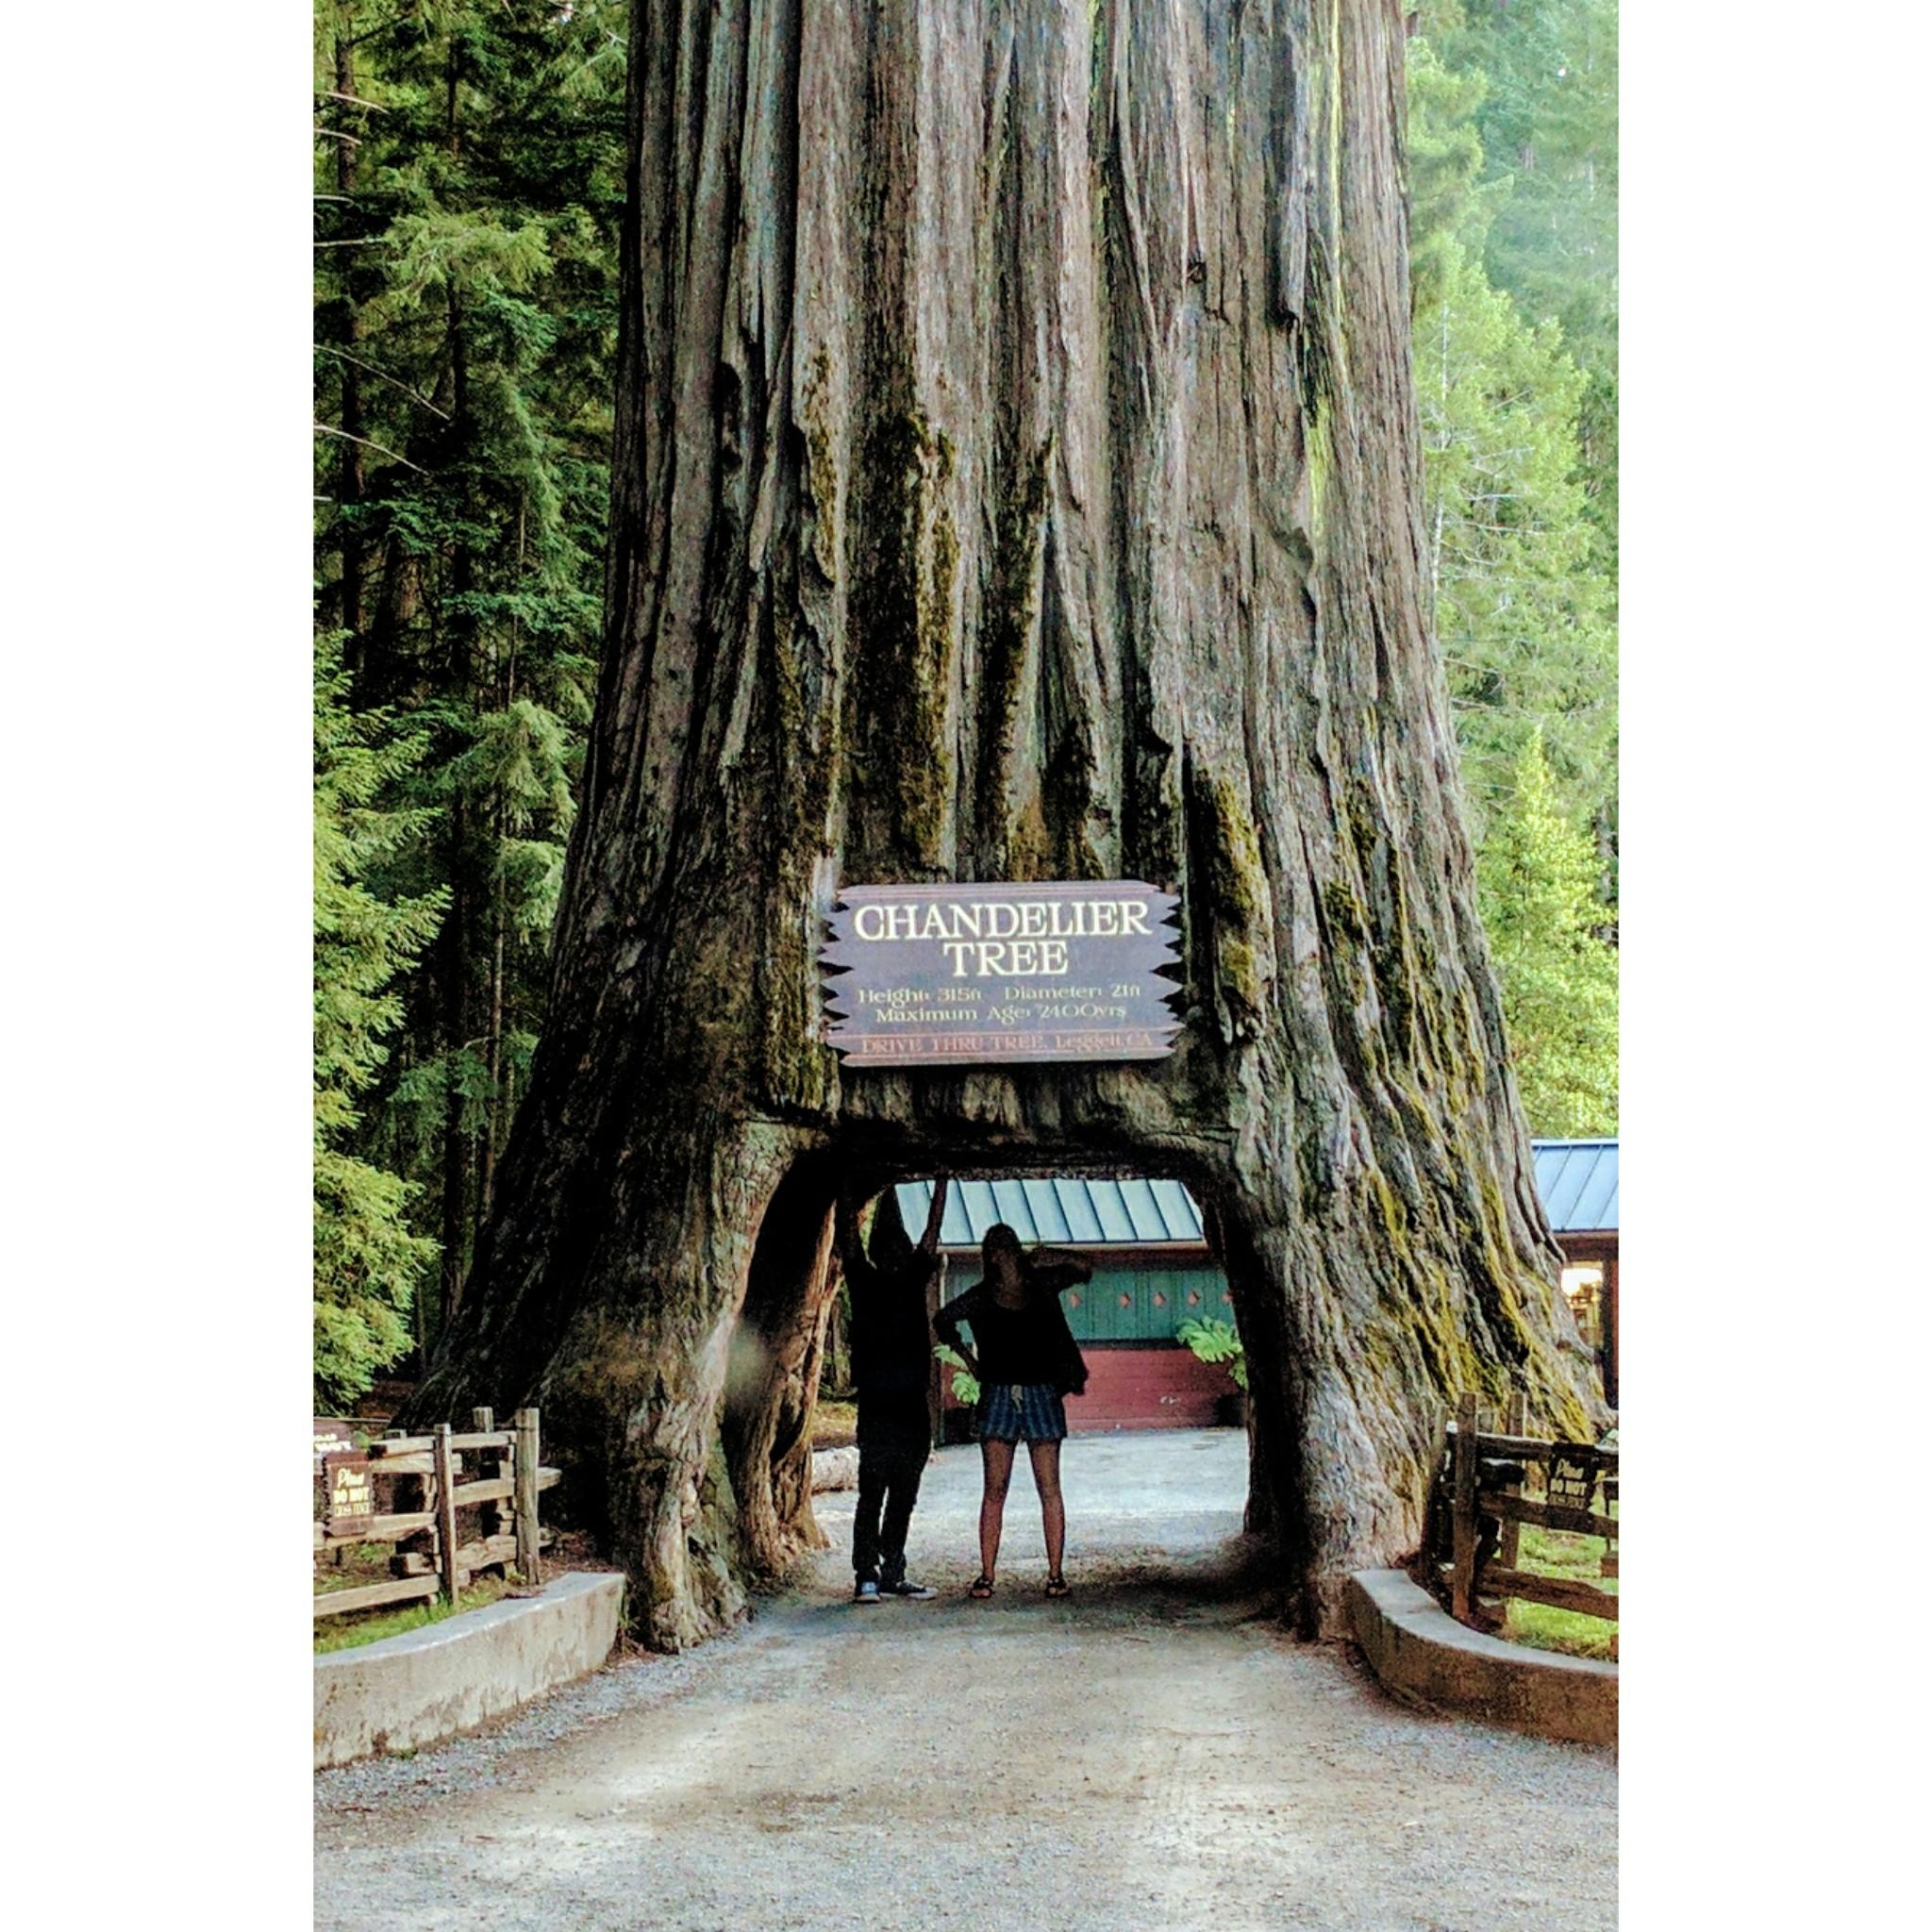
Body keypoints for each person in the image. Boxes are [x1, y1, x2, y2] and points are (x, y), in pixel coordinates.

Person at [933, 1223, 1093, 1600]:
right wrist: (970, 1361)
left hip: (1039, 1391)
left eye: (1005, 1247)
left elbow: (1085, 1268)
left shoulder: (1042, 1283)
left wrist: (1049, 1254)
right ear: (990, 1256)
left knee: (1048, 1487)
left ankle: (1055, 1573)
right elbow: (942, 1319)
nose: (1000, 1255)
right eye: (995, 1249)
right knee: (995, 1488)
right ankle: (987, 1573)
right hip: (1000, 1392)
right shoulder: (984, 1296)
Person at [835, 1174, 950, 1605]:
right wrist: (942, 1181)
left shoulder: (878, 1281)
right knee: (877, 1494)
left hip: (901, 1408)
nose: (898, 1255)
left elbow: (852, 1237)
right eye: (893, 1248)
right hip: (887, 1408)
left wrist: (943, 1182)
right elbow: (852, 1237)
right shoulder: (872, 1281)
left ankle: (886, 1572)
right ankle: (869, 1572)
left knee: (899, 1494)